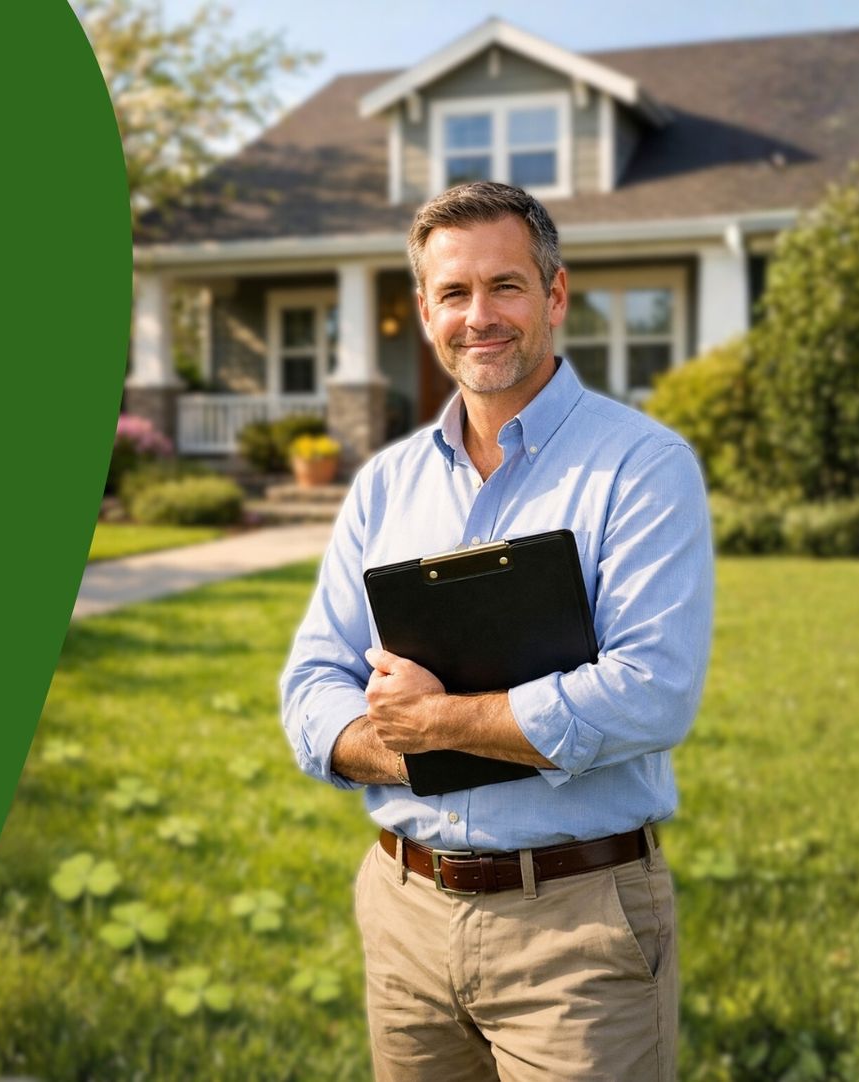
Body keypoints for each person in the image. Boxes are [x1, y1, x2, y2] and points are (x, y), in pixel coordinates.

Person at [279, 180, 713, 1081]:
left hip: (578, 930)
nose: (479, 316)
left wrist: (438, 723)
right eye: (453, 293)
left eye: (504, 286)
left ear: (554, 295)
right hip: (403, 914)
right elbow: (312, 686)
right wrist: (413, 756)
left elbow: (652, 693)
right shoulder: (387, 484)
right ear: (425, 313)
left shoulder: (641, 466)